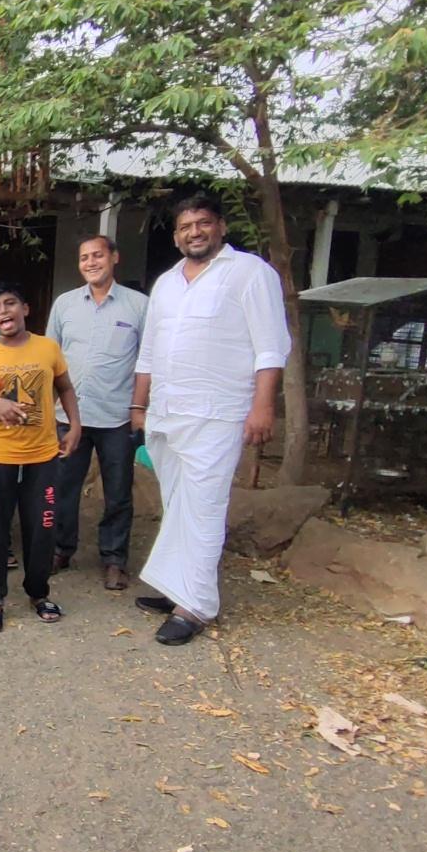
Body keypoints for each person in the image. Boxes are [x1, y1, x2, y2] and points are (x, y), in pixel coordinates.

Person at [132, 194, 290, 645]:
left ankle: (195, 606)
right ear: (176, 236)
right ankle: (176, 586)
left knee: (204, 507)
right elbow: (149, 350)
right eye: (185, 227)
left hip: (219, 413)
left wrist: (263, 406)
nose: (194, 232)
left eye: (202, 223)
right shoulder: (166, 283)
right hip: (167, 411)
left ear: (221, 226)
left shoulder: (250, 272)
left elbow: (271, 346)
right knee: (178, 504)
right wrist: (138, 406)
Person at [0, 283, 82, 633]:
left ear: (25, 308)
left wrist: (75, 426)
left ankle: (38, 592)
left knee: (42, 525)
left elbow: (65, 387)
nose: (4, 311)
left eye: (10, 303)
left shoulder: (48, 347)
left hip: (43, 454)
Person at [47, 235, 148, 590]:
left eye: (97, 255)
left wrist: (139, 408)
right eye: (84, 257)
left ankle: (114, 559)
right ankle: (60, 549)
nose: (90, 262)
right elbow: (50, 358)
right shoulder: (65, 304)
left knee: (118, 492)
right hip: (68, 416)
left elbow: (148, 361)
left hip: (117, 417)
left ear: (114, 257)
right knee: (62, 488)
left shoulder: (139, 305)